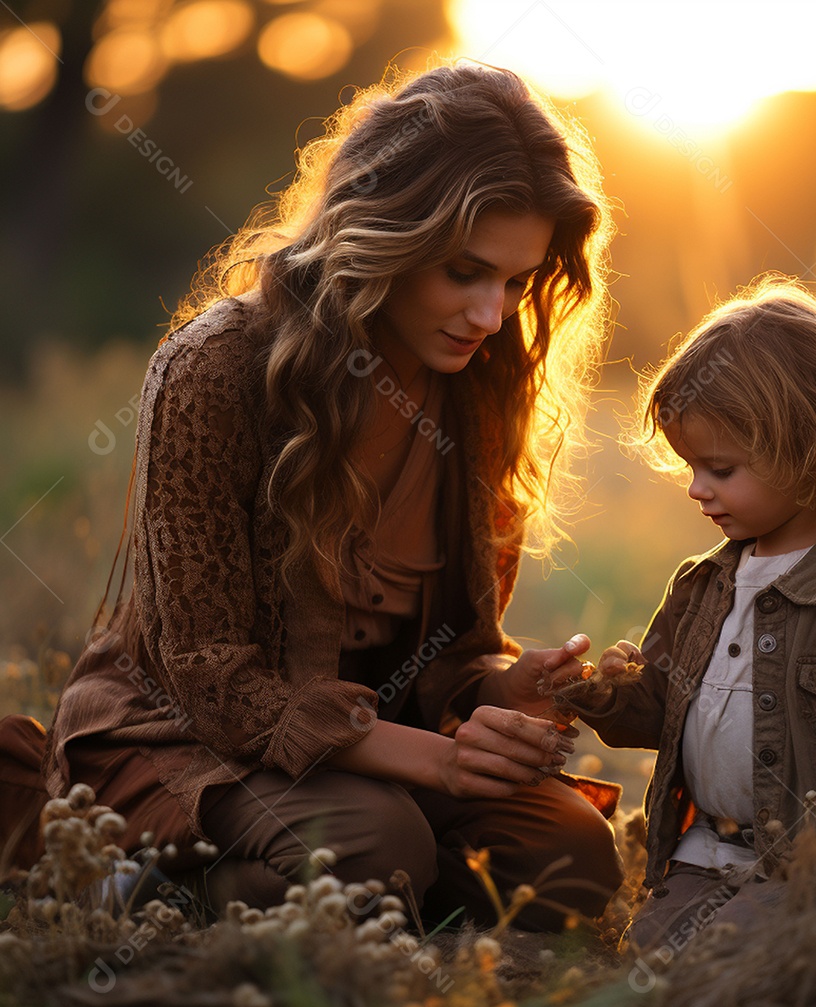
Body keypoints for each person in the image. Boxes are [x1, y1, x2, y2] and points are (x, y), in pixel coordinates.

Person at [21, 62, 624, 929]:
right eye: (465, 271)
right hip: (195, 738)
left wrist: (502, 693)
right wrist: (440, 768)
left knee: (569, 857)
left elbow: (450, 659)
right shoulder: (215, 371)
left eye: (518, 282)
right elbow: (211, 680)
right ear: (383, 232)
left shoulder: (483, 388)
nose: (493, 314)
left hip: (382, 754)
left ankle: (378, 896)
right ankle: (144, 886)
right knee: (377, 849)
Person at [557, 276, 816, 950]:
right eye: (690, 466)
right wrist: (602, 689)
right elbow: (658, 713)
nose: (694, 488)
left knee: (730, 961)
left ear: (808, 448)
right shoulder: (701, 585)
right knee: (648, 958)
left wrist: (813, 860)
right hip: (707, 852)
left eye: (719, 468)